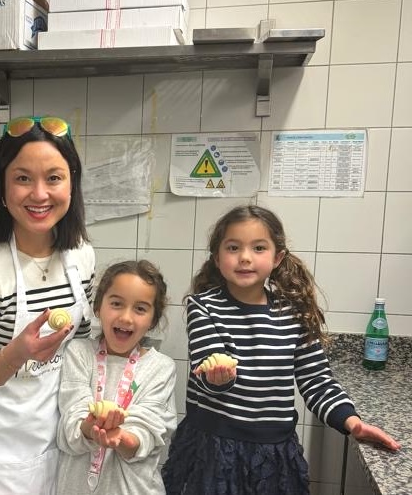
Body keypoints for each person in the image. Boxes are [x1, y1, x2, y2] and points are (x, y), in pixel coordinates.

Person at [162, 204, 401, 495]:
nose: (245, 257)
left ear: (278, 258)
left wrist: (352, 423)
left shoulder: (295, 314)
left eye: (259, 248)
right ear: (217, 257)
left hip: (273, 455)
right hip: (212, 448)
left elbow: (317, 381)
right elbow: (207, 362)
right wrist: (217, 376)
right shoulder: (203, 306)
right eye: (233, 247)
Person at [0, 116, 95, 495]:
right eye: (23, 178)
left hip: (57, 441)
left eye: (54, 178)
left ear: (72, 184)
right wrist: (15, 355)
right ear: (2, 185)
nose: (40, 194)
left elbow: (77, 350)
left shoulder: (81, 256)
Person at [56, 260, 178, 495]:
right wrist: (90, 429)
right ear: (98, 306)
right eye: (116, 304)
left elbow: (149, 431)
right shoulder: (79, 353)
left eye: (140, 309)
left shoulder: (160, 368)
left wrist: (122, 438)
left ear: (153, 319)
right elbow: (72, 417)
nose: (126, 317)